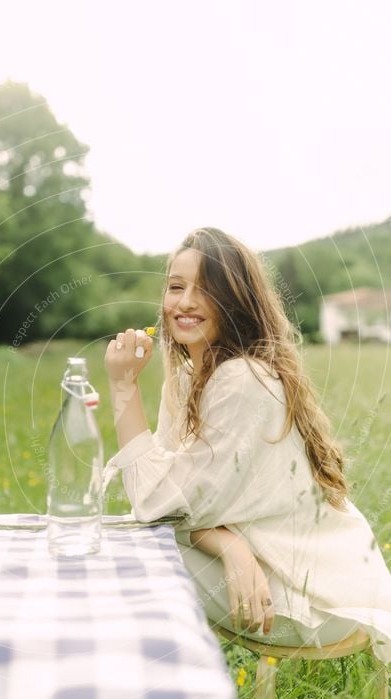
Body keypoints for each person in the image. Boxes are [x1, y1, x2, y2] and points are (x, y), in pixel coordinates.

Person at [103, 226, 391, 662]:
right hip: (252, 565)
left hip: (314, 592)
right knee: (120, 549)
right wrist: (229, 546)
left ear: (237, 301)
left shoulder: (243, 379)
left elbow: (158, 503)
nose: (184, 302)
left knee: (127, 560)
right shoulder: (185, 378)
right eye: (176, 287)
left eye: (206, 290)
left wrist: (123, 387)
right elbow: (173, 499)